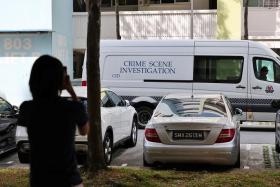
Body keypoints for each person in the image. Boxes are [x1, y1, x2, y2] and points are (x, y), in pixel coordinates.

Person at [18, 55, 89, 187]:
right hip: (69, 180)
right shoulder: (72, 107)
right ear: (60, 81)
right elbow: (84, 131)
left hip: (39, 180)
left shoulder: (26, 108)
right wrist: (71, 91)